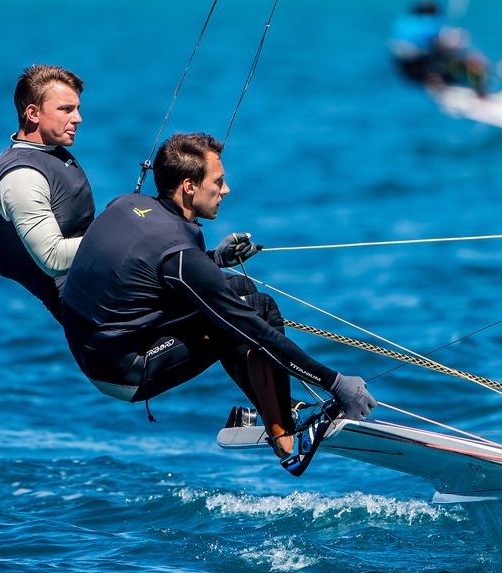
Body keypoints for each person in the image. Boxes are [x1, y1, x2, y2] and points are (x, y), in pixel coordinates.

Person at [60, 132, 377, 476]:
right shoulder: (178, 252)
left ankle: (272, 409)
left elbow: (148, 269)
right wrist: (334, 382)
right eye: (219, 182)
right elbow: (251, 328)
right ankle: (286, 441)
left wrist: (214, 259)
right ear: (189, 186)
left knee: (238, 286)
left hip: (98, 347)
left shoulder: (125, 204)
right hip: (123, 370)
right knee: (256, 311)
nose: (225, 191)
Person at [0, 64, 94, 322]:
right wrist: (119, 234)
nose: (77, 118)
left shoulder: (50, 154)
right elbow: (52, 258)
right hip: (100, 325)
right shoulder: (21, 178)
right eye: (66, 109)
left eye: (77, 109)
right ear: (33, 113)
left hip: (110, 292)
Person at [389, 1, 488, 95]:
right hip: (422, 68)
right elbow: (449, 41)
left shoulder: (403, 22)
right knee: (474, 61)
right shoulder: (429, 26)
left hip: (404, 70)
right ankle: (480, 93)